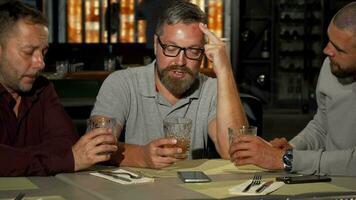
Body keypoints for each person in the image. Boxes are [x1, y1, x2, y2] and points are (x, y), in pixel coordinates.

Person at [91, 0, 248, 169]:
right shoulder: (122, 83)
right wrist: (141, 156)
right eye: (171, 48)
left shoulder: (212, 89)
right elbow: (95, 148)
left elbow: (235, 152)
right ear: (156, 44)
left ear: (204, 52)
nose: (180, 61)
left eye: (193, 51)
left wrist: (225, 72)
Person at [229, 2, 356, 176]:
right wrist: (293, 147)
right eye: (329, 40)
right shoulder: (332, 65)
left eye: (338, 49)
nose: (326, 51)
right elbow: (322, 126)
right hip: (330, 181)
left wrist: (285, 159)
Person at [0, 0, 117, 176]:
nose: (41, 63)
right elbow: (70, 156)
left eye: (43, 52)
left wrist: (20, 160)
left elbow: (66, 144)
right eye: (28, 52)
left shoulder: (43, 88)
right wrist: (64, 160)